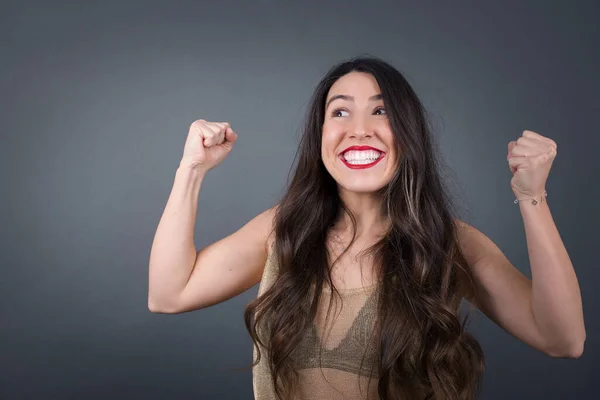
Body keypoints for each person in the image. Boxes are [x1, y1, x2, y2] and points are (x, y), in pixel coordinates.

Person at [148, 56, 585, 400]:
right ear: (320, 135)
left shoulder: (451, 243)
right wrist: (192, 169)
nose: (359, 130)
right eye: (340, 113)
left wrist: (532, 198)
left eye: (381, 111)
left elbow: (562, 339)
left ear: (408, 133)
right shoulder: (284, 230)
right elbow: (169, 294)